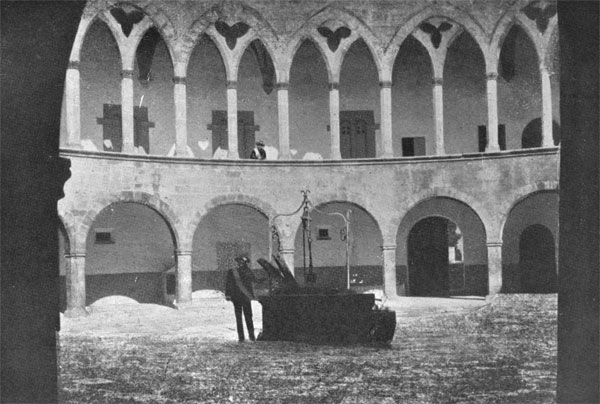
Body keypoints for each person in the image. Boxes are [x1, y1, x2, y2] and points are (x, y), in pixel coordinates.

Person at [225, 254, 257, 342]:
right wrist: (228, 294)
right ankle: (242, 337)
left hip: (243, 297)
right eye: (240, 262)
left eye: (243, 262)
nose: (242, 263)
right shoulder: (232, 272)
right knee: (240, 317)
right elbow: (228, 284)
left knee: (248, 316)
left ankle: (251, 336)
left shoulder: (248, 271)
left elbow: (254, 281)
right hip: (238, 297)